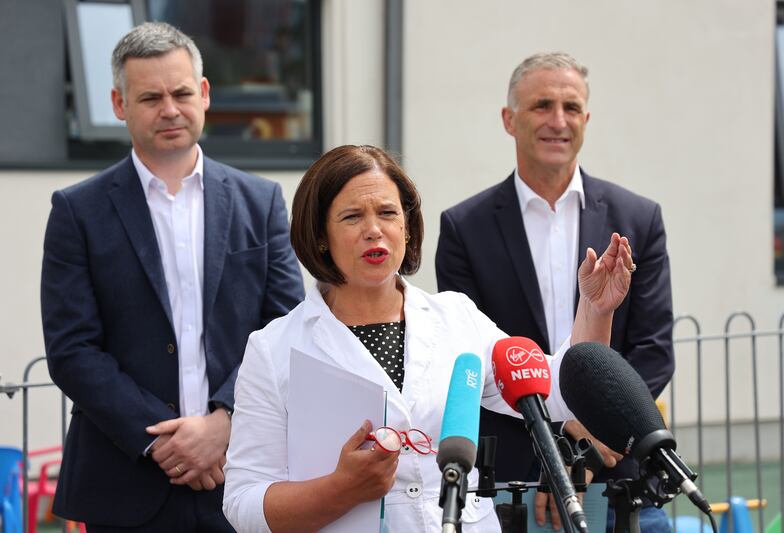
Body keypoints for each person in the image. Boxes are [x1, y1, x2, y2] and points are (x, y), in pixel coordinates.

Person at [222, 144, 636, 533]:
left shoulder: (455, 317)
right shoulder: (274, 348)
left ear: (406, 227)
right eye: (351, 217)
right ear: (319, 237)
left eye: (387, 213)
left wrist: (596, 309)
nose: (373, 230)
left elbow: (556, 394)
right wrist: (339, 489)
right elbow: (244, 501)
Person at [40, 22, 304, 532]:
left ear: (204, 94)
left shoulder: (261, 201)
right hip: (125, 480)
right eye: (149, 97)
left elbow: (287, 327)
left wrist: (223, 423)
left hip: (243, 473)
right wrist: (164, 440)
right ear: (119, 105)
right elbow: (72, 349)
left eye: (182, 92)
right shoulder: (77, 211)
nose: (169, 109)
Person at [435, 52, 674, 531]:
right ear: (509, 120)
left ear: (586, 119)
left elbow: (652, 348)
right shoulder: (465, 227)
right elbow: (471, 358)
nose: (557, 121)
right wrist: (557, 439)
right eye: (542, 105)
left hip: (618, 470)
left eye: (571, 107)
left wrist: (592, 433)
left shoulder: (638, 218)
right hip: (514, 482)